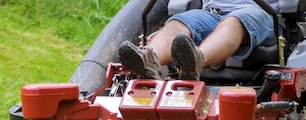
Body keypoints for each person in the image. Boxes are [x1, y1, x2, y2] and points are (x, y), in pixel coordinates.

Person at [119, 0, 280, 80]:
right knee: (178, 23)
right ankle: (149, 62)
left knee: (233, 22)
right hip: (212, 13)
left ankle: (196, 60)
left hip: (261, 12)